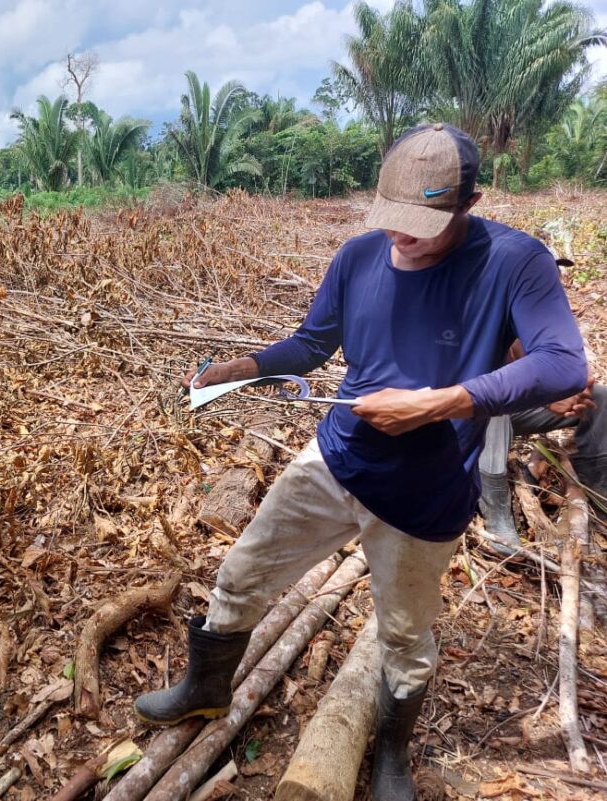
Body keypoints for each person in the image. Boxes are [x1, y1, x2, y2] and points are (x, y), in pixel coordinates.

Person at [133, 123, 587, 801]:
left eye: (422, 224)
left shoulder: (514, 261)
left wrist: (439, 403)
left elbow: (564, 362)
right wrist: (241, 368)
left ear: (470, 203)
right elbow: (312, 343)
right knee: (241, 573)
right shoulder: (359, 257)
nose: (401, 236)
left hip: (426, 491)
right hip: (337, 458)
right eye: (391, 217)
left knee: (403, 636)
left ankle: (392, 754)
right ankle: (206, 688)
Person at [479, 343, 605, 544]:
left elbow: (532, 357)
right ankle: (495, 509)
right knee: (494, 404)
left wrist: (563, 384)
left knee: (600, 398)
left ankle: (600, 493)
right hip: (466, 405)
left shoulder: (512, 324)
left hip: (513, 400)